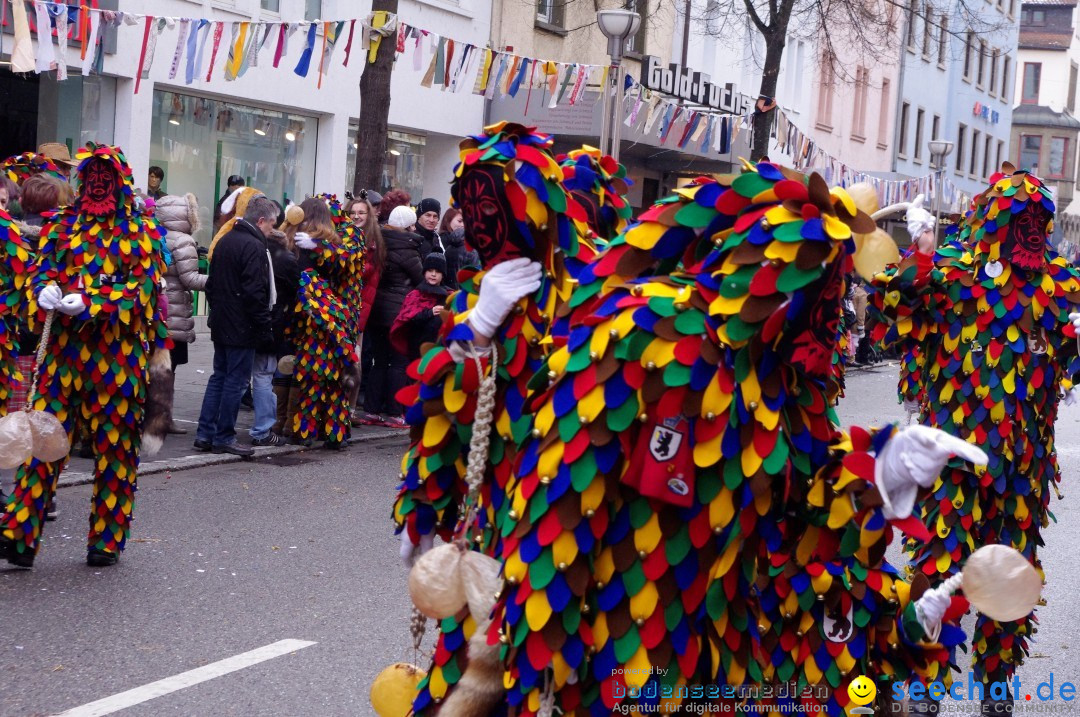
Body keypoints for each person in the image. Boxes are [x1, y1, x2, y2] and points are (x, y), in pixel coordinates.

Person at [390, 124, 603, 714]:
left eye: (495, 204)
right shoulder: (476, 295)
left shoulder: (598, 292)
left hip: (571, 541)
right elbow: (441, 407)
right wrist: (423, 505)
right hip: (485, 535)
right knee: (456, 687)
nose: (481, 221)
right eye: (471, 205)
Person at [868, 166, 1080, 714]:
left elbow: (1073, 354)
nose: (1032, 232)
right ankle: (926, 682)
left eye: (1039, 221)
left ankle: (996, 686)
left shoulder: (1054, 288)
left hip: (1023, 469)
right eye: (1021, 220)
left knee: (1009, 569)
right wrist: (918, 257)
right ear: (993, 222)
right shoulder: (954, 277)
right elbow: (893, 302)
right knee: (940, 569)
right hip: (951, 465)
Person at [0, 143, 169, 569]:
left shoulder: (141, 232)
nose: (96, 184)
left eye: (104, 178)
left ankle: (106, 541)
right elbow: (42, 268)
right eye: (89, 176)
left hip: (118, 361)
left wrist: (92, 300)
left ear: (119, 184)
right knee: (44, 441)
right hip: (63, 358)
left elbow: (143, 289)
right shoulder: (61, 226)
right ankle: (19, 536)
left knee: (115, 452)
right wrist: (44, 289)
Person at [194, 195, 277, 458]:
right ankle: (224, 436)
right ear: (261, 220)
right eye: (271, 225)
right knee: (235, 381)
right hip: (242, 326)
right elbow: (255, 292)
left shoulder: (226, 240)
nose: (272, 230)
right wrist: (265, 327)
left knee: (219, 377)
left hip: (222, 321)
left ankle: (205, 433)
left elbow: (212, 285)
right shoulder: (253, 246)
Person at [286, 195, 365, 449]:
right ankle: (321, 432)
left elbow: (345, 257)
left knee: (322, 377)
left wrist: (316, 247)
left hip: (334, 319)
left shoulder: (347, 234)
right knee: (323, 377)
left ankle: (327, 433)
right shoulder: (320, 238)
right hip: (328, 319)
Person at [357, 205, 422, 427]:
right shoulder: (407, 247)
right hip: (398, 313)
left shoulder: (379, 241)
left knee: (379, 361)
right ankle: (395, 412)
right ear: (407, 226)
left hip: (376, 310)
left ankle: (372, 410)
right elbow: (420, 278)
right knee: (399, 362)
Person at [155, 193, 206, 436]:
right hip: (174, 314)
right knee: (168, 369)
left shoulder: (155, 235)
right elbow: (190, 279)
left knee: (157, 367)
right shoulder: (184, 241)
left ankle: (152, 416)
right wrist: (218, 281)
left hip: (158, 311)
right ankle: (163, 418)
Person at [345, 193, 384, 423]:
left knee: (354, 364)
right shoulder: (347, 237)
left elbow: (361, 271)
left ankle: (349, 411)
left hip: (358, 311)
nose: (357, 216)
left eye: (361, 212)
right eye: (353, 213)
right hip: (346, 309)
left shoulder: (372, 243)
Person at [268, 204, 301, 440]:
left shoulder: (276, 247)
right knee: (290, 366)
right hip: (289, 314)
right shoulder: (289, 254)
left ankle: (281, 420)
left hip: (278, 314)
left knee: (281, 366)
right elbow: (295, 287)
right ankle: (287, 420)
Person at [389, 253, 449, 361]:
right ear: (425, 272)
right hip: (418, 345)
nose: (433, 274)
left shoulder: (449, 295)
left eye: (438, 271)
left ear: (443, 275)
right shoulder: (415, 295)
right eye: (430, 270)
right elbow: (409, 318)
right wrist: (429, 313)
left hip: (439, 347)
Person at [438, 207, 477, 290]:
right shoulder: (441, 240)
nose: (463, 225)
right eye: (460, 221)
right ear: (448, 220)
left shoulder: (457, 242)